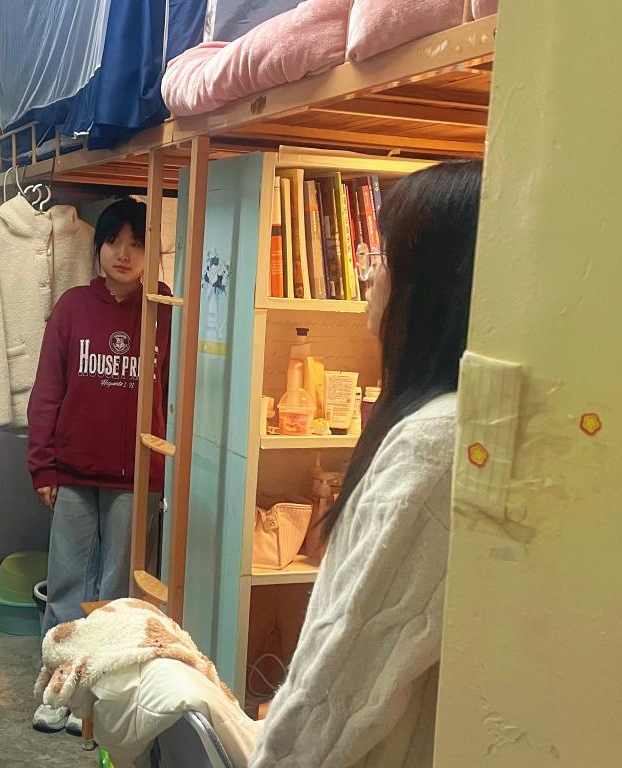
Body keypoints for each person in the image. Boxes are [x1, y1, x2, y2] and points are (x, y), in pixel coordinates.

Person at [250, 160, 483, 768]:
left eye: (386, 256)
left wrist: (273, 751)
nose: (372, 273)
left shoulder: (435, 444)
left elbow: (346, 667)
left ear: (431, 282)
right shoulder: (437, 422)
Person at [26, 198, 171, 735]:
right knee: (66, 586)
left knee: (118, 594)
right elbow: (47, 391)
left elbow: (176, 395)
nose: (124, 254)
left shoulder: (164, 311)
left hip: (137, 478)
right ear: (99, 247)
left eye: (137, 244)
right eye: (114, 242)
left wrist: (165, 474)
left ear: (151, 253)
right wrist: (43, 466)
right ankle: (58, 689)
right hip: (73, 472)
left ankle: (97, 700)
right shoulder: (73, 308)